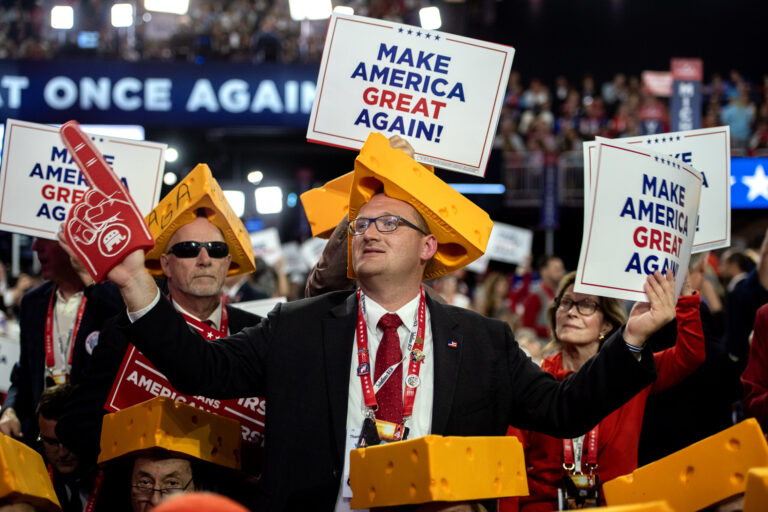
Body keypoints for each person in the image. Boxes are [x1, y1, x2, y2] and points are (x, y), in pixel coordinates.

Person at [63, 132, 676, 511]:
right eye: (361, 224)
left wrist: (633, 340)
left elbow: (564, 409)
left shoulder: (484, 340)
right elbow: (203, 367)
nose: (368, 232)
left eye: (389, 223)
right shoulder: (297, 325)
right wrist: (139, 286)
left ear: (428, 248)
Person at [55, 166, 264, 473]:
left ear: (228, 263)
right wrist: (151, 448)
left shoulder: (256, 330)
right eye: (189, 249)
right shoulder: (125, 329)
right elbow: (75, 426)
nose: (205, 259)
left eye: (217, 250)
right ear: (165, 264)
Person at [502, 271, 704, 511]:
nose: (571, 311)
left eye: (586, 305)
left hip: (617, 507)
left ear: (606, 324)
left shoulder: (630, 372)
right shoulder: (535, 378)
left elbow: (690, 355)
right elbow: (509, 462)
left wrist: (686, 297)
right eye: (565, 303)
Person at [0, 238, 123, 444]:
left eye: (45, 240)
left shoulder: (111, 300)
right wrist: (10, 410)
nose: (35, 247)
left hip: (95, 443)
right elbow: (24, 376)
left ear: (76, 244)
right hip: (43, 443)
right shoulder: (33, 301)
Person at [36, 384, 102, 512]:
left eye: (69, 440)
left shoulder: (116, 475)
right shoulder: (28, 475)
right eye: (51, 442)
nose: (62, 453)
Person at [520, 255, 565, 339]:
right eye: (556, 269)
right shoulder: (535, 296)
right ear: (544, 271)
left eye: (561, 269)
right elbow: (527, 328)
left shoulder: (561, 295)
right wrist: (550, 331)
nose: (561, 272)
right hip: (541, 346)